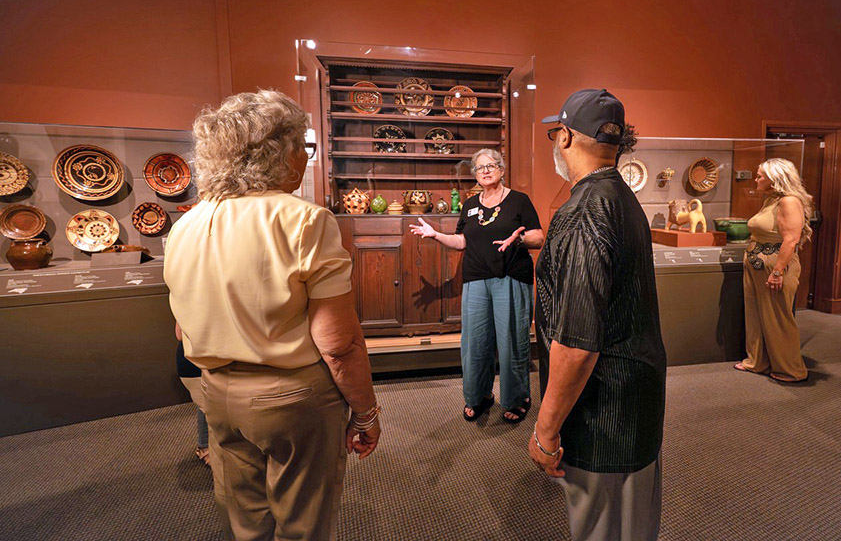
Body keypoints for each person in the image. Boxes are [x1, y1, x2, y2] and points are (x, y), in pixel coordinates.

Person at [164, 90, 381, 541]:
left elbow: (182, 326)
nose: (305, 156)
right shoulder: (305, 220)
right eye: (303, 145)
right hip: (291, 399)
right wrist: (365, 412)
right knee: (304, 521)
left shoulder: (185, 225)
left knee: (245, 519)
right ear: (281, 153)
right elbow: (338, 344)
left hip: (217, 392)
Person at [529, 89, 667, 541]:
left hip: (602, 414)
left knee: (603, 529)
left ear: (566, 136)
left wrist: (546, 433)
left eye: (555, 133)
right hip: (636, 404)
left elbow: (577, 343)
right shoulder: (622, 198)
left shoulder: (584, 209)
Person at [410, 149, 544, 422]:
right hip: (476, 279)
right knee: (475, 344)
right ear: (475, 174)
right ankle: (479, 396)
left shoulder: (519, 201)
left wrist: (518, 240)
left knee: (511, 343)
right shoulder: (470, 204)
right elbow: (462, 242)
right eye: (479, 167)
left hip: (511, 277)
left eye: (491, 165)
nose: (485, 170)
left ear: (502, 170)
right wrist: (435, 234)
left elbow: (538, 237)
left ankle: (517, 398)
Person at [735, 158, 814, 383]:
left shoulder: (788, 201)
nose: (756, 179)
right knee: (756, 315)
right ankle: (757, 361)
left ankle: (791, 369)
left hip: (775, 264)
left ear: (774, 178)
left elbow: (791, 240)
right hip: (756, 262)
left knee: (778, 317)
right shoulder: (771, 199)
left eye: (760, 175)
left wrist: (778, 271)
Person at [175, 323, 210, 467]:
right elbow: (179, 333)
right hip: (196, 362)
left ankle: (205, 445)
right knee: (208, 407)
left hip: (204, 360)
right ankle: (205, 446)